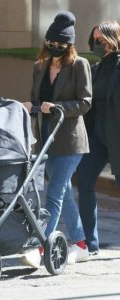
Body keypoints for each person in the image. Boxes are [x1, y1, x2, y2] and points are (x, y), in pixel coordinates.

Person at [20, 11, 92, 268]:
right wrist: (32, 105)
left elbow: (85, 102)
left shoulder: (79, 65)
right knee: (63, 193)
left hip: (71, 140)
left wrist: (57, 107)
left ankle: (39, 247)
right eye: (51, 43)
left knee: (53, 193)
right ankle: (81, 244)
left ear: (69, 45)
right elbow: (36, 99)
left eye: (61, 44)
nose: (55, 48)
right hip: (46, 138)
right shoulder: (39, 67)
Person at [78, 20, 120, 255]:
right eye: (93, 41)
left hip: (117, 134)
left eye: (101, 41)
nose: (96, 44)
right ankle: (90, 243)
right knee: (84, 181)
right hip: (97, 134)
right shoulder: (94, 68)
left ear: (113, 39)